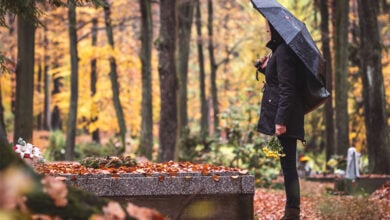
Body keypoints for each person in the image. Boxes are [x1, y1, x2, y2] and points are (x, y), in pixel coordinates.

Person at [256, 20, 305, 220]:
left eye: (269, 25)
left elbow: (287, 88)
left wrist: (281, 121)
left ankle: (292, 213)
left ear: (276, 28)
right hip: (284, 116)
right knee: (287, 167)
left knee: (289, 168)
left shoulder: (284, 52)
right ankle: (292, 212)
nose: (267, 29)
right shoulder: (279, 52)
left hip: (286, 118)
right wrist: (263, 68)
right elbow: (276, 81)